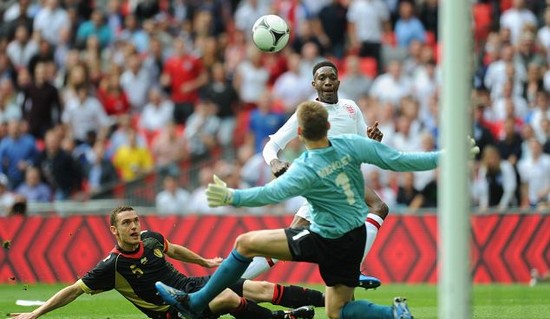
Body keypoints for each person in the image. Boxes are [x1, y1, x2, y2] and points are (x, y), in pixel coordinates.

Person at [156, 101, 473, 319]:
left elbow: (268, 193)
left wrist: (230, 197)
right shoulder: (352, 144)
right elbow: (402, 160)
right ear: (327, 126)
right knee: (338, 311)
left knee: (245, 243)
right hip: (353, 240)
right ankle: (393, 313)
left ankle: (196, 302)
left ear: (299, 133)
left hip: (323, 238)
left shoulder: (305, 168)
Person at [9, 206, 323, 319]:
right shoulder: (112, 266)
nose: (134, 226)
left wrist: (203, 261)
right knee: (228, 297)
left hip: (193, 285)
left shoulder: (150, 238)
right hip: (175, 312)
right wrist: (36, 314)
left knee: (261, 287)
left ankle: (332, 301)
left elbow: (174, 249)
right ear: (114, 230)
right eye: (127, 223)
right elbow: (73, 290)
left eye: (136, 220)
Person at [241, 60, 385, 285]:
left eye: (331, 77)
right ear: (314, 84)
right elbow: (271, 145)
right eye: (322, 78)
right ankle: (231, 281)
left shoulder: (351, 108)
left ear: (338, 81)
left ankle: (230, 281)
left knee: (292, 238)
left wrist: (373, 141)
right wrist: (274, 162)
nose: (327, 81)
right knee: (376, 207)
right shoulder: (307, 112)